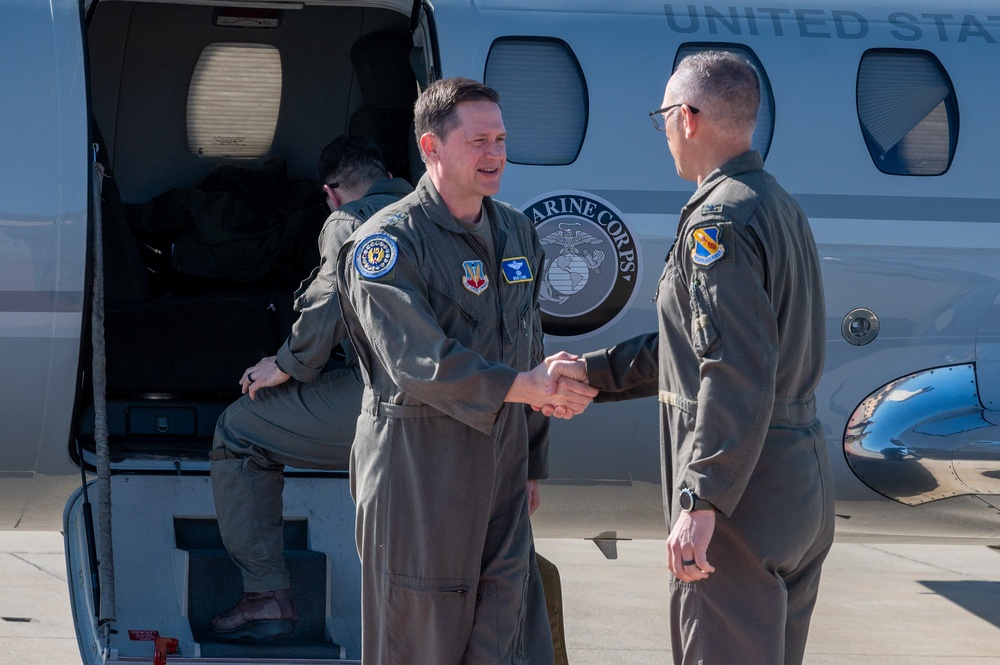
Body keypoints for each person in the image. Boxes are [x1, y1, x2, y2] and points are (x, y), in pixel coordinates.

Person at [573, 51, 835, 664]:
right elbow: (699, 344)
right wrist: (593, 373)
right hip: (795, 483)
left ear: (687, 117)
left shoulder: (718, 219)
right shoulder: (773, 203)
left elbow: (734, 364)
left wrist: (703, 497)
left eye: (663, 115)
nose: (663, 130)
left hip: (742, 497)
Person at [336, 77, 597, 664]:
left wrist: (531, 457)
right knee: (422, 637)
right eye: (480, 140)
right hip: (419, 470)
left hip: (501, 464)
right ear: (431, 148)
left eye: (501, 139)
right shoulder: (387, 245)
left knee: (505, 631)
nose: (496, 154)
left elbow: (529, 340)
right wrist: (522, 388)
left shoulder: (516, 232)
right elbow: (418, 362)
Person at [208, 135, 414, 640]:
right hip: (466, 398)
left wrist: (286, 364)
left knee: (238, 430)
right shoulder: (441, 211)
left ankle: (266, 596)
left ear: (331, 193)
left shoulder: (350, 220)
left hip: (391, 397)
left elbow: (327, 302)